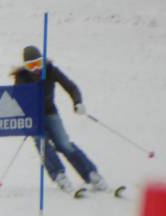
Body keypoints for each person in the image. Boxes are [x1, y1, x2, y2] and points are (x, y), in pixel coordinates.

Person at [11, 46, 108, 195]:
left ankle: (91, 175)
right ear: (26, 66)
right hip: (32, 117)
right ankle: (59, 176)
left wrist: (77, 102)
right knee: (43, 144)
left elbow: (71, 87)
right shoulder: (21, 77)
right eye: (31, 66)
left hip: (50, 113)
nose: (36, 68)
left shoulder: (50, 70)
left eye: (38, 63)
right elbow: (17, 99)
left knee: (64, 144)